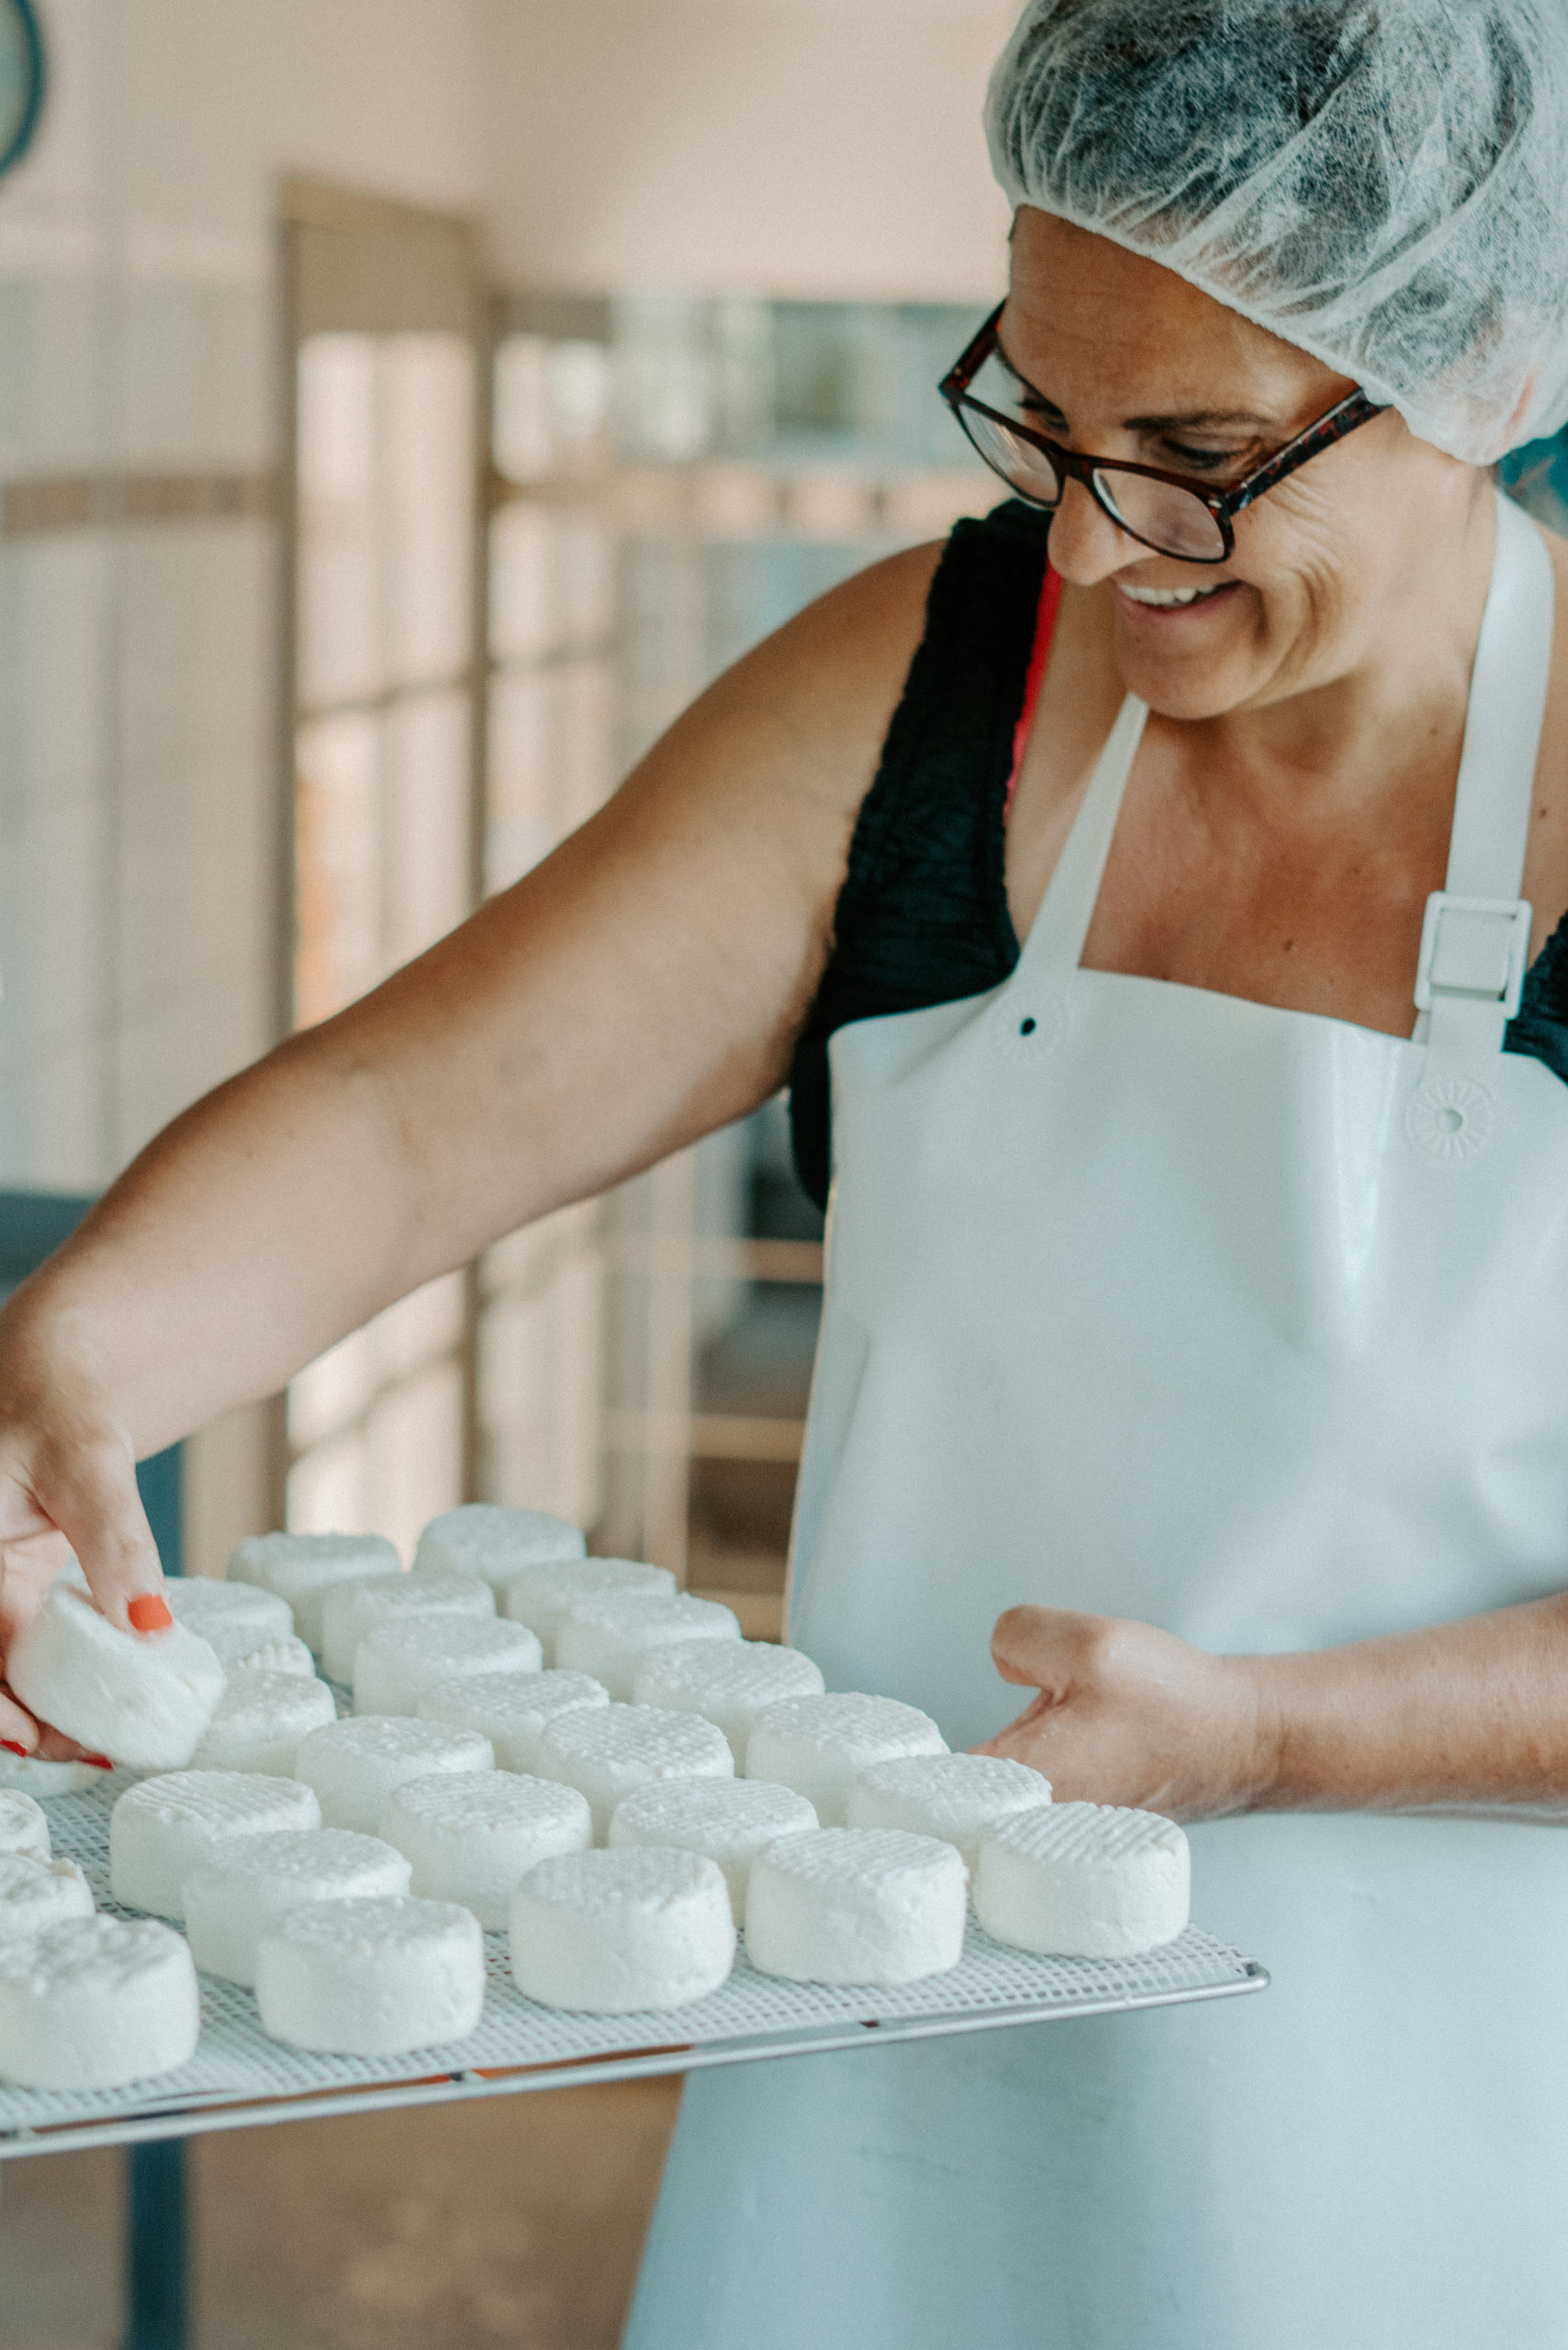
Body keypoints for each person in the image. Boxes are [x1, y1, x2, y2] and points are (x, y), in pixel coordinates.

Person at [6, 0, 1568, 2338]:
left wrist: (1266, 1739)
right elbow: (421, 1113)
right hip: (867, 2091)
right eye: (1042, 416)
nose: (1093, 530)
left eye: (1199, 452)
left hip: (1427, 2112)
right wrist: (74, 1361)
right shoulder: (946, 681)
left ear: (1469, 364)